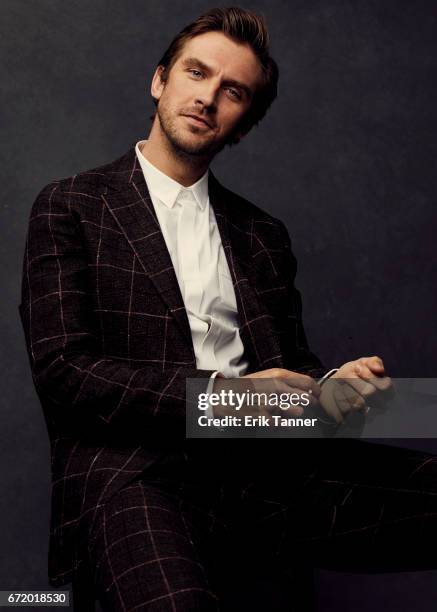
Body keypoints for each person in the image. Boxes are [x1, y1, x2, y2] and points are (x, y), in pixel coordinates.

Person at [19, 7, 437, 611]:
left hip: (271, 472)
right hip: (140, 477)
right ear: (160, 80)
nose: (208, 97)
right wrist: (231, 400)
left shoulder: (262, 234)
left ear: (243, 123)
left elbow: (288, 369)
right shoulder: (72, 205)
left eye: (232, 91)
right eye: (196, 73)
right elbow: (64, 373)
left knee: (415, 416)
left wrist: (329, 387)